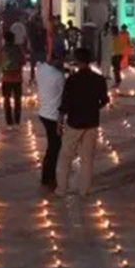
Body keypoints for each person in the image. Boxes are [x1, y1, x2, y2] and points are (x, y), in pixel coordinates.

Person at [58, 46, 111, 197]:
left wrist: (60, 121)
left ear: (77, 61)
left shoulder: (72, 80)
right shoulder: (99, 79)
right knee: (87, 159)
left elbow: (65, 103)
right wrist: (94, 107)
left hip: (74, 122)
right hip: (91, 122)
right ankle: (84, 190)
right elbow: (105, 100)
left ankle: (61, 188)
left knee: (66, 156)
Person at [36, 48, 66, 191]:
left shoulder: (41, 69)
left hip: (43, 112)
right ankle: (48, 178)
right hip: (53, 116)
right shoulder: (58, 76)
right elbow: (64, 93)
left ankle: (47, 176)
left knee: (52, 146)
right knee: (54, 148)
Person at [0, 29, 25, 124]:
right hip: (17, 78)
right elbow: (23, 61)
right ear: (13, 39)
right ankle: (17, 119)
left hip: (6, 78)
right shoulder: (18, 49)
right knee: (17, 99)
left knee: (6, 99)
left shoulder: (2, 50)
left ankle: (9, 120)